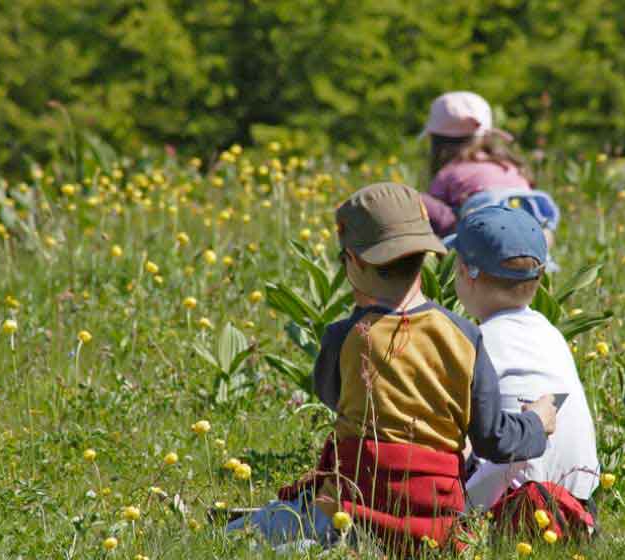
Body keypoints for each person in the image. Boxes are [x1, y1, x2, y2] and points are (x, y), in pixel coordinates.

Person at [228, 182, 559, 555]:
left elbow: (330, 395)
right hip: (432, 526)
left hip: (347, 512)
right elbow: (492, 438)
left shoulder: (346, 336)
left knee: (238, 536)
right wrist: (537, 424)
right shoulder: (463, 336)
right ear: (423, 254)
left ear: (354, 261)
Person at [448, 205, 600, 515]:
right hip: (579, 498)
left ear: (466, 272)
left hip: (508, 503)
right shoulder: (550, 335)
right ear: (541, 276)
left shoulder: (476, 342)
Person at [420, 91, 535, 237]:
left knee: (419, 202)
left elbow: (434, 219)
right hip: (531, 241)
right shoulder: (510, 167)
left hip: (482, 243)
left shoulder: (448, 173)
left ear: (437, 142)